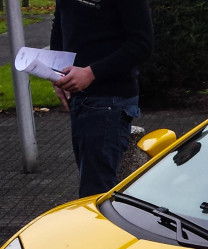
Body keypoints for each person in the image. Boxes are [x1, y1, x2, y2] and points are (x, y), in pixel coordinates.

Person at [50, 0, 154, 197]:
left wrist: (91, 73)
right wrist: (57, 74)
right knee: (93, 187)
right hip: (80, 97)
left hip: (109, 100)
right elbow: (61, 21)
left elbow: (142, 44)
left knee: (96, 193)